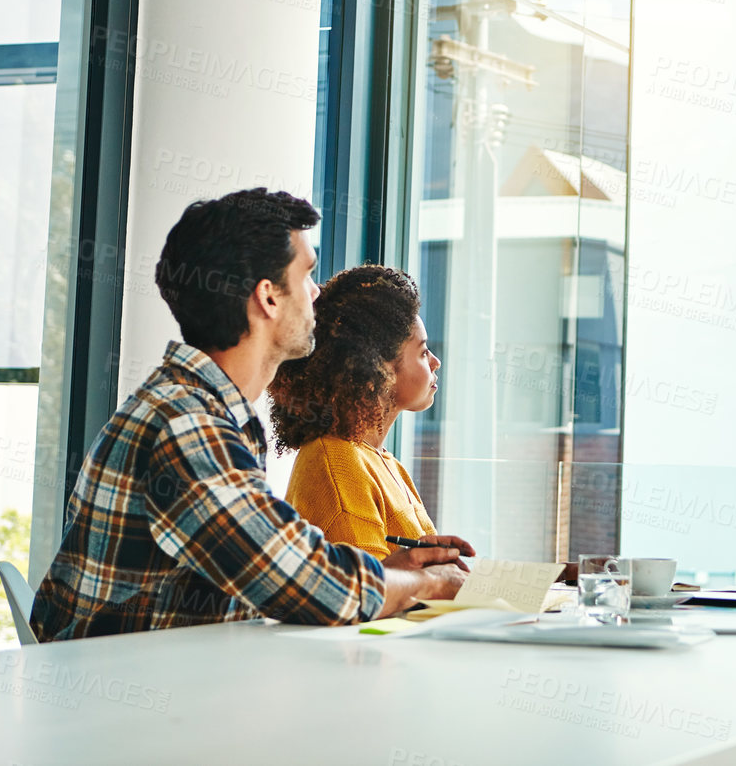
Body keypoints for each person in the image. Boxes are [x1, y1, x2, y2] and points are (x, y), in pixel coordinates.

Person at [31, 189, 470, 642]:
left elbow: (278, 561)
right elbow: (304, 584)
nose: (317, 293)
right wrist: (428, 583)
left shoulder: (204, 412)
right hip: (126, 700)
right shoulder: (187, 424)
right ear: (269, 298)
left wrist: (391, 571)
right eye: (307, 274)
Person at [270, 264, 450, 560]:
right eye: (422, 351)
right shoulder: (336, 461)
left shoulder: (387, 464)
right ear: (380, 369)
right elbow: (371, 593)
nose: (435, 361)